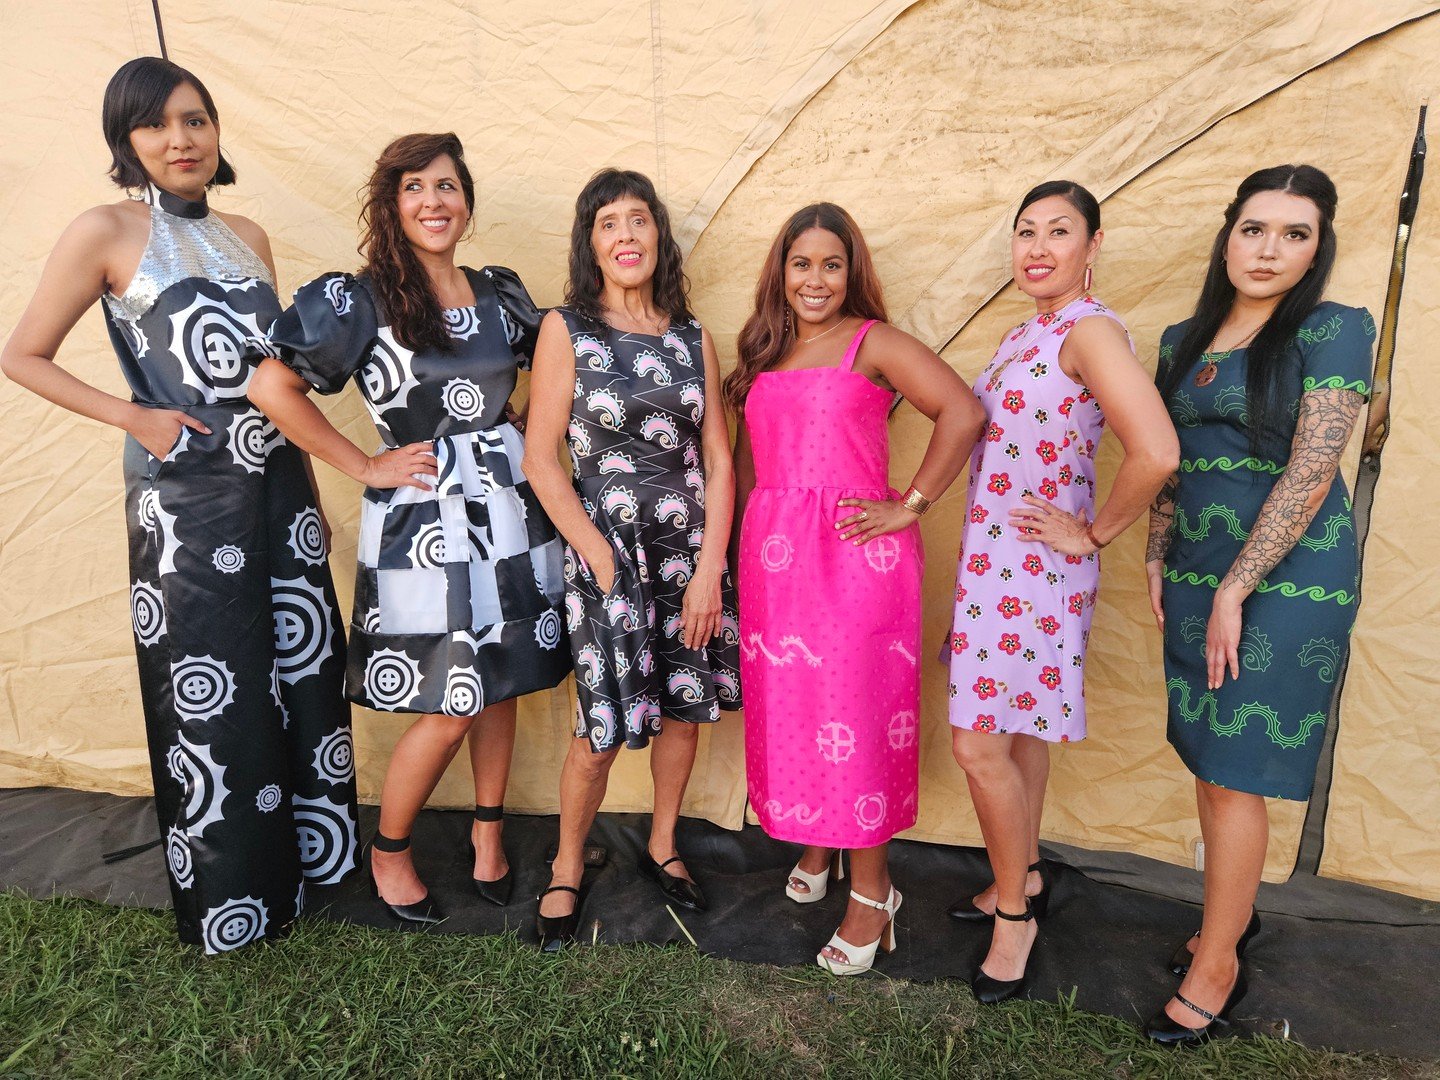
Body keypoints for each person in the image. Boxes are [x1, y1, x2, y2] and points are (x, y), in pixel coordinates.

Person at [0, 57, 358, 952]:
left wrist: (314, 490)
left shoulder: (250, 234)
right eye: (156, 124)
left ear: (216, 130)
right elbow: (23, 354)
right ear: (126, 139)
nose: (180, 139)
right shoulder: (105, 229)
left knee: (301, 675)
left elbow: (276, 380)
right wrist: (133, 416)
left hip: (279, 489)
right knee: (214, 695)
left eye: (195, 119)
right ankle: (235, 904)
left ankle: (312, 870)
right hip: (187, 502)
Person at [248, 133, 569, 922]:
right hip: (427, 521)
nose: (434, 201)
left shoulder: (498, 293)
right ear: (391, 204)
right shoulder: (358, 300)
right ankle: (389, 848)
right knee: (453, 700)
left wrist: (523, 427)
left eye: (447, 186)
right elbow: (270, 387)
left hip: (510, 508)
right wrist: (363, 464)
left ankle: (488, 832)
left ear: (467, 201)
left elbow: (556, 369)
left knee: (503, 677)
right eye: (415, 187)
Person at [1144, 164, 1373, 1043]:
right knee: (1210, 761)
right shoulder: (1182, 339)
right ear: (1227, 235)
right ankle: (1226, 923)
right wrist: (1158, 554)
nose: (1270, 249)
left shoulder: (1333, 329)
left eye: (1295, 233)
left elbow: (1314, 470)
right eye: (1254, 228)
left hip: (1289, 577)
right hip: (1197, 568)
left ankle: (1217, 966)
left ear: (1318, 248)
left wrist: (1238, 587)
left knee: (1237, 771)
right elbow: (1168, 459)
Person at [727, 203, 984, 975]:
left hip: (852, 560)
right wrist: (738, 549)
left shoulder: (873, 342)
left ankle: (873, 893)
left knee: (852, 718)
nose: (816, 280)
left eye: (831, 265)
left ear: (852, 273)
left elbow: (963, 411)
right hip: (774, 562)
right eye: (801, 263)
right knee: (796, 708)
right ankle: (820, 841)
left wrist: (911, 505)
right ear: (781, 271)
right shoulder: (763, 348)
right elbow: (749, 462)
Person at [946, 180, 1179, 1002]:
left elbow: (1156, 450)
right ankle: (1027, 874)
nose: (1038, 247)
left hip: (1036, 573)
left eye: (1059, 231)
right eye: (1026, 232)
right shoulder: (1027, 331)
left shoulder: (1090, 330)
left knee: (978, 746)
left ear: (1093, 244)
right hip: (995, 566)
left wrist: (1094, 531)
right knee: (1015, 736)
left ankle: (1016, 917)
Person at [522, 168, 742, 949]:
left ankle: (663, 842)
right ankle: (566, 865)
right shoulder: (566, 329)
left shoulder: (693, 336)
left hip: (687, 554)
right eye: (608, 222)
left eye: (638, 219)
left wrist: (711, 567)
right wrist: (600, 559)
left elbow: (720, 459)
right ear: (590, 243)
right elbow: (541, 458)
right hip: (609, 557)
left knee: (682, 706)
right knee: (600, 727)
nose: (625, 235)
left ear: (659, 235)